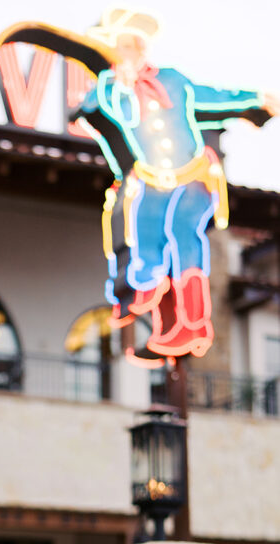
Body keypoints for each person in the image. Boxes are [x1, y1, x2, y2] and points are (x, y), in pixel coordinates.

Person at [75, 7, 280, 358]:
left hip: (194, 176)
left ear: (141, 47)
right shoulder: (111, 89)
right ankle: (145, 290)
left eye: (129, 45)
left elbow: (214, 97)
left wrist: (254, 100)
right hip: (150, 180)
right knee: (145, 234)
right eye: (119, 47)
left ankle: (193, 323)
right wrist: (119, 84)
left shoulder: (172, 80)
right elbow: (95, 107)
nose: (125, 53)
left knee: (184, 235)